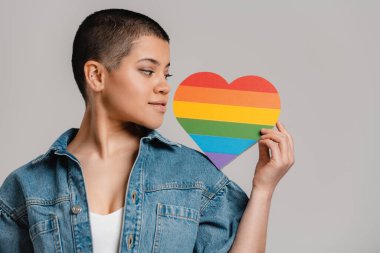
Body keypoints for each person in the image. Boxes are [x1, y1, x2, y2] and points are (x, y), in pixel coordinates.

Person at [0, 8, 295, 253]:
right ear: (96, 75)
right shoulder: (27, 186)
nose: (164, 85)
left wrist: (263, 189)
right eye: (147, 70)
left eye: (166, 73)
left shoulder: (192, 174)